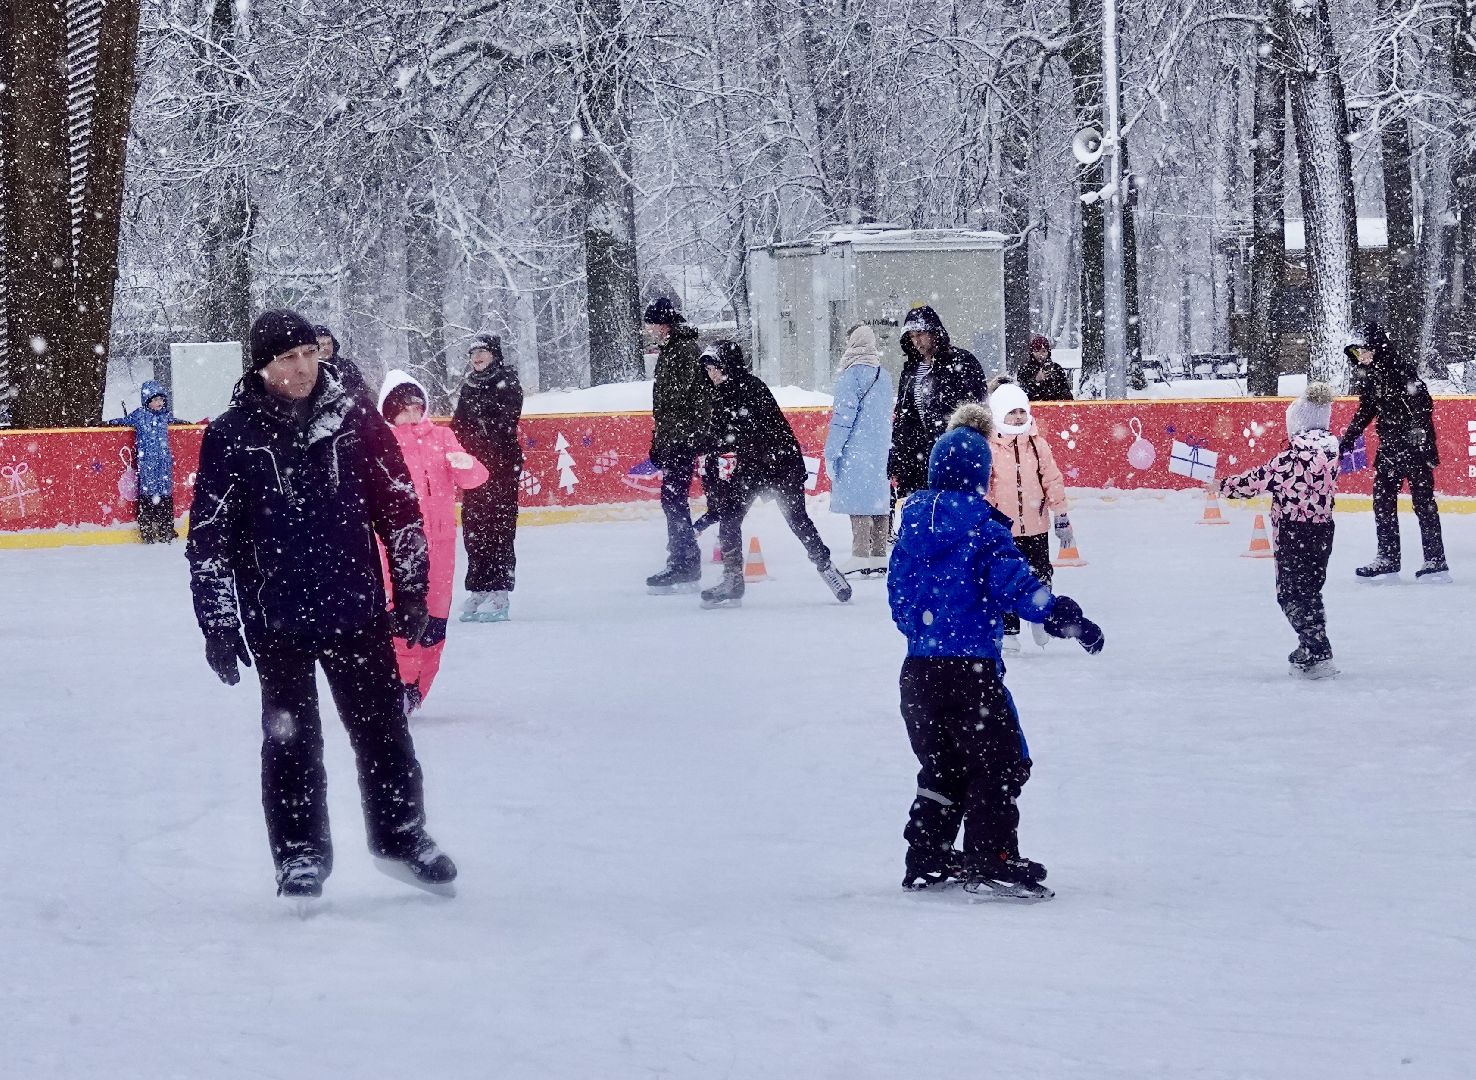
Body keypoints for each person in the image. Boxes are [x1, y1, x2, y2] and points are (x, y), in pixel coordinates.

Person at [186, 308, 457, 900]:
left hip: (354, 608)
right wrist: (218, 624)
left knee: (384, 730)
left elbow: (399, 505)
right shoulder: (232, 435)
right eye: (288, 358)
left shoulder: (354, 418)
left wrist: (411, 589)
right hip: (275, 617)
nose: (304, 366)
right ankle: (300, 857)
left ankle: (402, 837)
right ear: (262, 367)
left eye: (310, 353)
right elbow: (209, 539)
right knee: (290, 740)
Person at [888, 403, 1104, 899]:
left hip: (918, 673)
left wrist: (928, 634)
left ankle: (928, 856)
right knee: (1002, 762)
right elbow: (1020, 590)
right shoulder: (982, 532)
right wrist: (1067, 617)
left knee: (942, 768)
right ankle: (992, 855)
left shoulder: (910, 530)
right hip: (970, 674)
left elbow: (899, 601)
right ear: (981, 479)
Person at [696, 340, 852, 609]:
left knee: (797, 520)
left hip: (780, 465)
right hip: (752, 469)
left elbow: (734, 435)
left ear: (726, 365)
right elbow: (722, 437)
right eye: (708, 369)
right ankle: (732, 579)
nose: (711, 374)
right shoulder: (723, 394)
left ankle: (827, 569)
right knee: (730, 518)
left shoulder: (750, 388)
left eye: (713, 368)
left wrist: (709, 443)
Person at [379, 370, 489, 710]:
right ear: (389, 411)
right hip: (397, 546)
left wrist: (466, 463)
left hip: (440, 546)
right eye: (403, 408)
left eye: (416, 406)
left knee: (435, 619)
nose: (411, 413)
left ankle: (418, 689)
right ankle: (399, 684)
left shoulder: (442, 437)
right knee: (400, 615)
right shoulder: (382, 443)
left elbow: (476, 478)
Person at [1220, 383, 1341, 679]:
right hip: (1323, 531)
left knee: (1289, 595)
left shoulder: (1288, 460)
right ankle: (1315, 648)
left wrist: (1222, 486)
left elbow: (1253, 482)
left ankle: (1316, 648)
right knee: (1310, 591)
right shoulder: (1332, 455)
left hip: (1292, 532)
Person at [1339, 323, 1448, 581]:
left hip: (1415, 448)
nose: (1361, 358)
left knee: (1423, 504)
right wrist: (1348, 439)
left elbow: (1424, 403)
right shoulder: (1371, 376)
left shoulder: (1399, 370)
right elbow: (1366, 410)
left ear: (1376, 350)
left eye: (1364, 352)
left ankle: (1435, 559)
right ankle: (1387, 557)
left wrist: (1417, 434)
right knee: (1382, 501)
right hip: (1390, 449)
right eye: (1357, 354)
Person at [985, 381, 1071, 653]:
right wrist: (986, 519)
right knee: (1006, 579)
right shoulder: (990, 446)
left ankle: (1039, 616)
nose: (1018, 417)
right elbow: (985, 486)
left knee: (1040, 574)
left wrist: (1061, 515)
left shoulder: (1037, 444)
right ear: (999, 413)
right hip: (1004, 530)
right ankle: (1009, 629)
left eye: (1022, 411)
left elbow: (1052, 479)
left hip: (1035, 525)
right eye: (1012, 412)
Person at [451, 334, 525, 622]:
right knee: (474, 528)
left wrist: (480, 437)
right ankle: (479, 587)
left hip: (502, 467)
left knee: (499, 528)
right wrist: (464, 450)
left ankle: (499, 591)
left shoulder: (507, 382)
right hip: (474, 468)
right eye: (473, 353)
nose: (477, 357)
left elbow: (504, 422)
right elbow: (459, 423)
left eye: (482, 352)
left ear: (494, 354)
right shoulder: (468, 385)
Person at [644, 297, 712, 593]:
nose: (649, 330)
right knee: (672, 500)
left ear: (664, 324)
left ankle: (684, 563)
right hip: (674, 438)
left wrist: (679, 440)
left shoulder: (683, 351)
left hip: (681, 439)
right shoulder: (671, 351)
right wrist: (659, 442)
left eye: (651, 324)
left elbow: (684, 401)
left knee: (673, 500)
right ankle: (684, 561)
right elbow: (667, 406)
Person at [888, 305, 986, 502]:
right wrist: (898, 456)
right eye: (912, 335)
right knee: (923, 518)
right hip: (917, 459)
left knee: (952, 518)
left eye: (921, 333)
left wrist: (965, 450)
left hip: (954, 456)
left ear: (935, 332)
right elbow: (904, 417)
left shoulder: (962, 362)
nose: (916, 340)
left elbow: (978, 410)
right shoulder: (910, 372)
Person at [823, 323, 895, 576]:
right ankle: (879, 556)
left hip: (855, 448)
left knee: (859, 501)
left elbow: (843, 419)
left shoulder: (850, 376)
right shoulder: (883, 376)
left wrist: (831, 452)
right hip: (880, 449)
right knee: (877, 500)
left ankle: (860, 554)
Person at [108, 380, 178, 543]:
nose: (159, 403)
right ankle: (147, 530)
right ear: (147, 401)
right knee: (148, 496)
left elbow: (175, 421)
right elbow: (123, 421)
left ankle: (166, 529)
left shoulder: (165, 416)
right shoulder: (140, 415)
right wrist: (108, 423)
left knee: (165, 496)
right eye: (155, 400)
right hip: (147, 464)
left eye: (161, 399)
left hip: (164, 465)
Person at [313, 323, 375, 407]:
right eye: (322, 344)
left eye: (329, 343)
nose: (326, 347)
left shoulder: (347, 366)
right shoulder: (310, 370)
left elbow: (361, 390)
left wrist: (351, 401)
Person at [1017, 335, 1074, 402]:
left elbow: (1067, 395)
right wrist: (1035, 380)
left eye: (1043, 351)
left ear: (1048, 352)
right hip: (1034, 408)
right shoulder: (1024, 370)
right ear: (1032, 352)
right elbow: (1021, 395)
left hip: (1055, 409)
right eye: (1037, 351)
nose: (1041, 355)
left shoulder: (1057, 368)